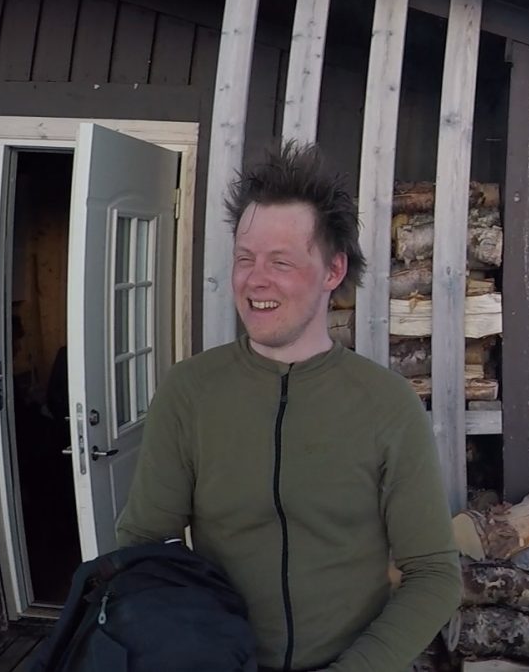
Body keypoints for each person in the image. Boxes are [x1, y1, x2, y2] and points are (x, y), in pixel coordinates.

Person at [116, 142, 461, 672]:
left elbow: (434, 573)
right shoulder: (191, 391)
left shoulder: (387, 405)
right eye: (245, 259)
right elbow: (142, 543)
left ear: (332, 271)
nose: (256, 280)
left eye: (281, 261)